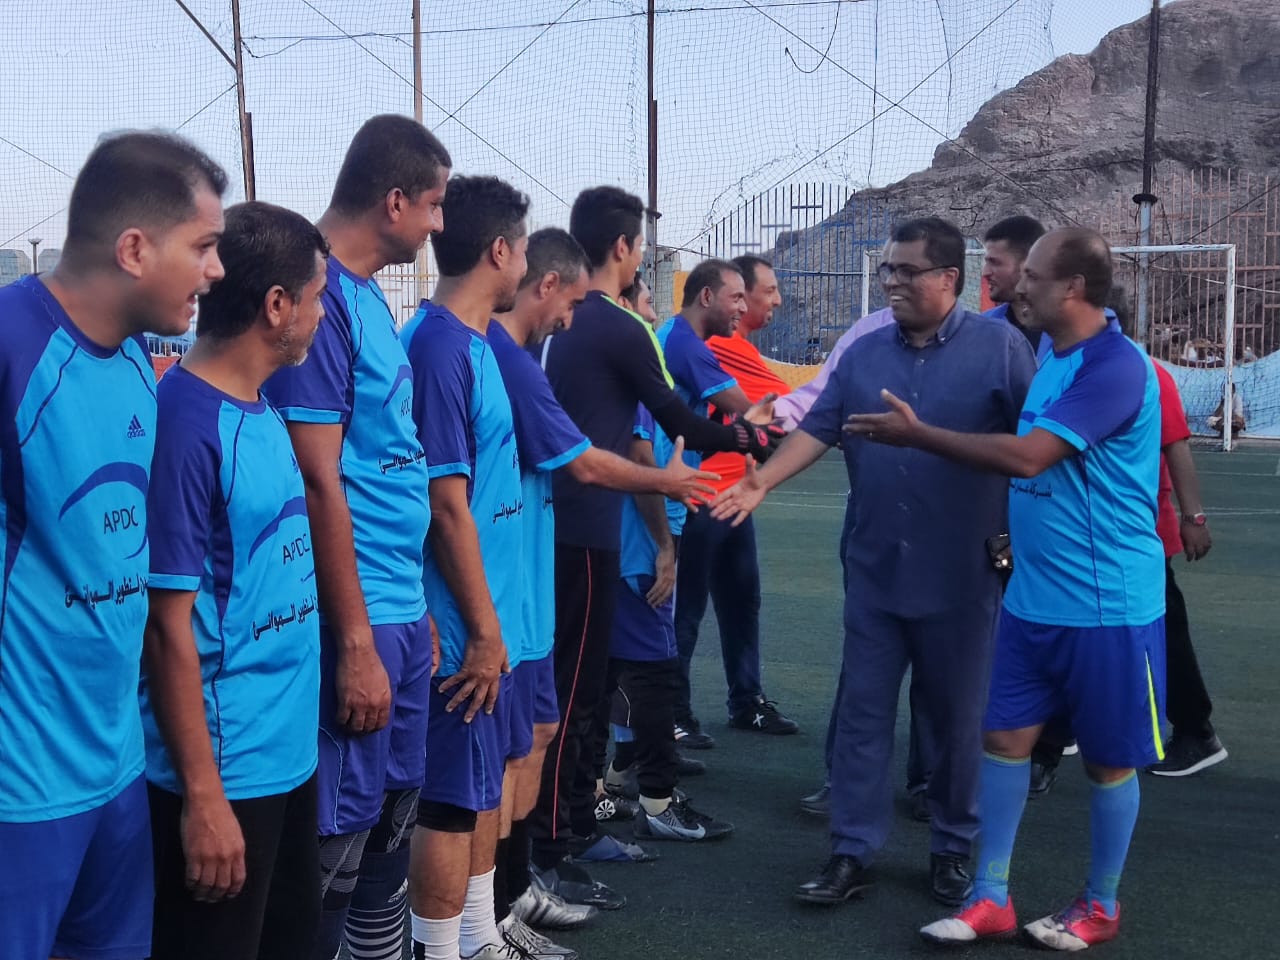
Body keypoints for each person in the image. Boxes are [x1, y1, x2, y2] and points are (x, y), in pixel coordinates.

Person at [844, 228, 1165, 951]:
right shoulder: (1048, 352)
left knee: (1110, 760)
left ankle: (1101, 905)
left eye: (1033, 276)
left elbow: (1027, 458)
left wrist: (918, 435)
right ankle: (991, 897)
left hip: (1108, 606)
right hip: (1031, 598)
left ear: (1073, 289)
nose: (1016, 284)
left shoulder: (1116, 366)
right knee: (1003, 740)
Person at [715, 216, 1036, 909]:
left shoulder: (1002, 349)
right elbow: (818, 427)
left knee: (955, 719)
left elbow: (1031, 448)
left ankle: (951, 849)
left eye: (907, 271)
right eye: (889, 269)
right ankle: (850, 850)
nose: (892, 282)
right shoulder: (863, 352)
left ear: (949, 279)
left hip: (963, 571)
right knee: (862, 715)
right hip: (876, 568)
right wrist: (762, 481)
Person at [0, 131, 227, 960]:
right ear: (134, 250)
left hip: (117, 767)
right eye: (203, 246)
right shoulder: (13, 344)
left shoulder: (138, 362)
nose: (217, 270)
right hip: (20, 787)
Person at [529, 186, 781, 908]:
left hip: (558, 526)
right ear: (623, 248)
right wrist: (755, 437)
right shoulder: (615, 324)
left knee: (579, 690)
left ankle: (575, 827)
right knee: (575, 697)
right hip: (589, 528)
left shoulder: (555, 323)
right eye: (641, 246)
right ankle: (555, 846)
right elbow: (676, 421)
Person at [487, 231, 719, 937]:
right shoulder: (498, 351)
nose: (573, 317)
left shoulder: (509, 351)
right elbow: (586, 461)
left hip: (546, 557)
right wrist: (671, 486)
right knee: (555, 713)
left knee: (554, 713)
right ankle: (538, 863)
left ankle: (522, 878)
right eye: (572, 303)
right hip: (566, 551)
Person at [262, 114, 450, 960]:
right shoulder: (321, 296)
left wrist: (417, 603)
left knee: (391, 823)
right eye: (434, 205)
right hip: (356, 616)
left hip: (397, 607)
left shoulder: (369, 296)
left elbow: (386, 464)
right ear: (395, 201)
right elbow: (317, 478)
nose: (438, 225)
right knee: (335, 842)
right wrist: (358, 638)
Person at [142, 201, 328, 959]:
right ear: (277, 305)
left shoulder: (262, 407)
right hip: (227, 772)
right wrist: (204, 797)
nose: (322, 315)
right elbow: (165, 627)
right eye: (316, 297)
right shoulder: (186, 424)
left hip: (286, 756)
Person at [401, 176, 529, 960]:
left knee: (477, 788)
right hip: (458, 629)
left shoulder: (471, 344)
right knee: (447, 804)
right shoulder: (440, 348)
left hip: (488, 618)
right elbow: (444, 505)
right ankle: (437, 951)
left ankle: (479, 940)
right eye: (525, 248)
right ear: (500, 251)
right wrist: (480, 628)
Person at [673, 256, 799, 741]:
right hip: (701, 495)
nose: (774, 300)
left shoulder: (727, 344)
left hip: (731, 497)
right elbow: (778, 409)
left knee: (742, 600)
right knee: (686, 611)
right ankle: (674, 714)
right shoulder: (718, 344)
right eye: (766, 291)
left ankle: (746, 701)